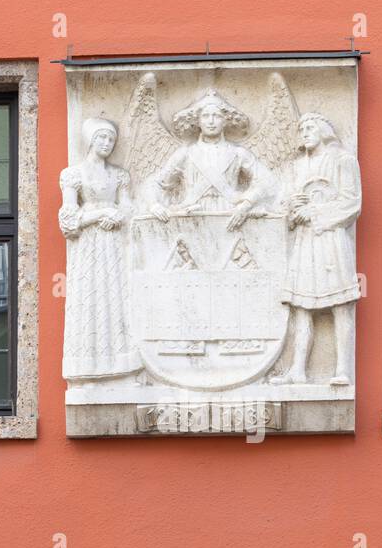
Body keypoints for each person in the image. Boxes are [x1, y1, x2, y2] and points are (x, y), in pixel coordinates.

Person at [276, 113, 362, 385]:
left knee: (340, 304)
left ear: (324, 129)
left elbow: (352, 203)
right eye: (301, 128)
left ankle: (342, 370)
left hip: (331, 239)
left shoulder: (343, 161)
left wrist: (314, 212)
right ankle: (297, 370)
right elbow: (285, 207)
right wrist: (293, 208)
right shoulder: (297, 166)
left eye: (310, 127)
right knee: (301, 306)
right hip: (304, 241)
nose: (304, 132)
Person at [59, 118, 141, 380]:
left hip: (113, 243)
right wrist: (101, 213)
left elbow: (129, 207)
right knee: (88, 295)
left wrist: (117, 216)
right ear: (91, 141)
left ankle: (119, 363)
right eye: (102, 138)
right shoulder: (73, 175)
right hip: (87, 247)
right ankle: (86, 366)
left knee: (114, 296)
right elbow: (69, 220)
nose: (106, 143)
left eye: (111, 139)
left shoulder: (119, 175)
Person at [145, 90, 275, 230]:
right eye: (206, 116)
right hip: (192, 217)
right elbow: (156, 183)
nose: (211, 121)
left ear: (225, 121)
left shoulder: (238, 153)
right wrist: (154, 205)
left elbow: (267, 180)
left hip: (230, 216)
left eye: (217, 116)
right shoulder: (186, 154)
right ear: (198, 121)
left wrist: (245, 206)